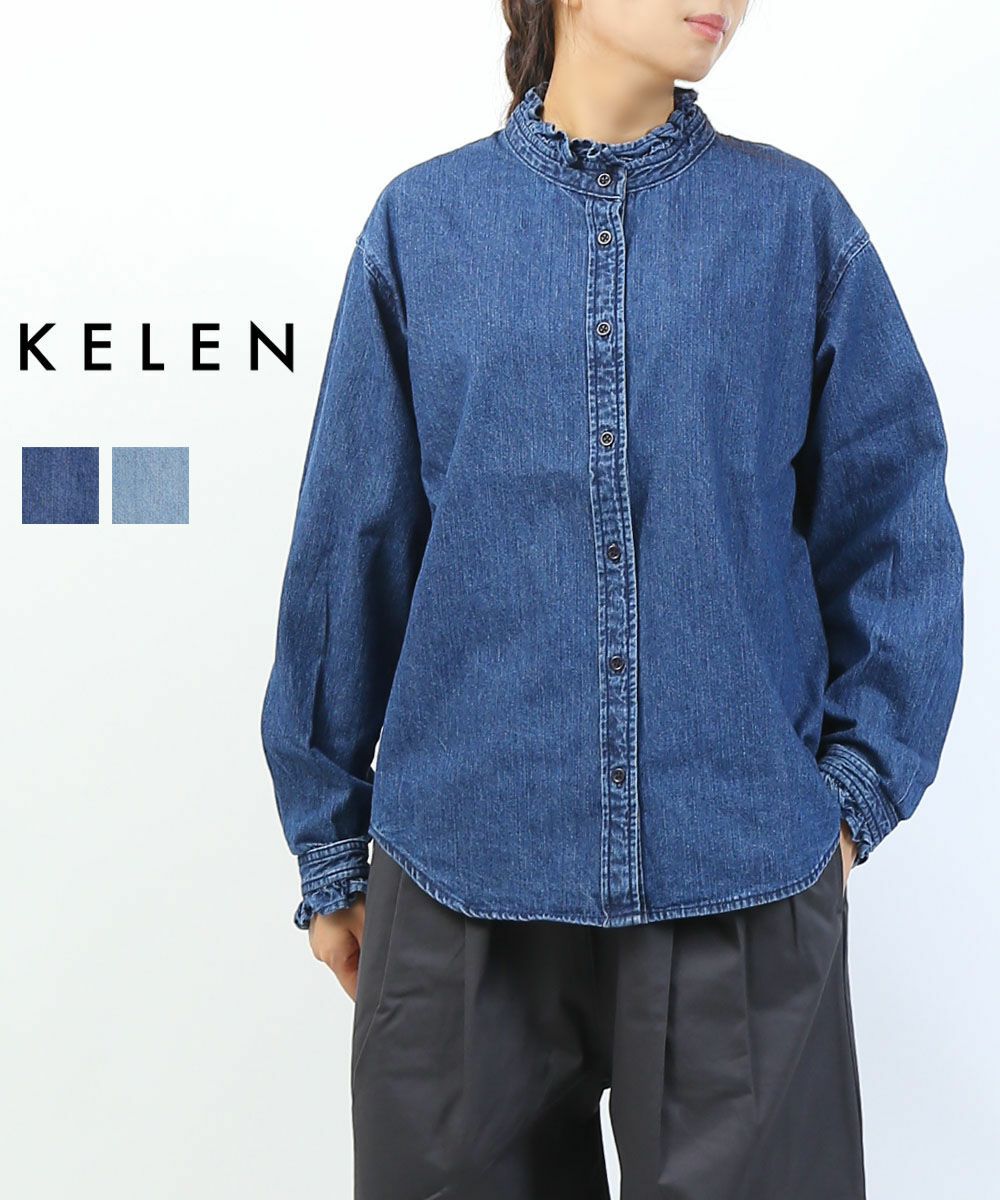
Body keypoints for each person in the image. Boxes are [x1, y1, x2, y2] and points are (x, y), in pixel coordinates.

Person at [260, 2, 964, 1196]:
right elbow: (352, 546)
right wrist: (330, 849)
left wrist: (849, 803)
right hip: (459, 875)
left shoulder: (795, 225)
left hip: (739, 873)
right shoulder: (423, 227)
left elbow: (896, 529)